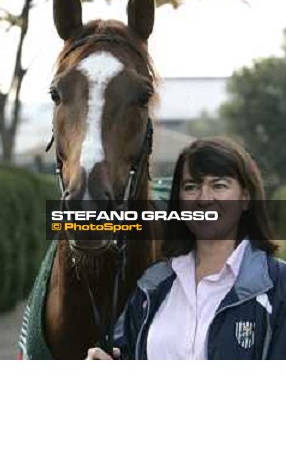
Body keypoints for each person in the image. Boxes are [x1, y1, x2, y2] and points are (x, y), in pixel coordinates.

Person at [87, 137, 286, 360]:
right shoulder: (152, 285)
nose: (204, 199)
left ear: (246, 198)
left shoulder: (278, 285)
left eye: (219, 185)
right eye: (191, 187)